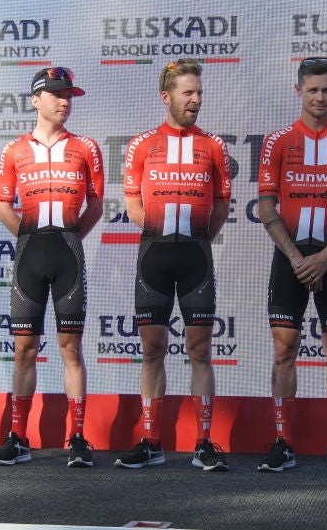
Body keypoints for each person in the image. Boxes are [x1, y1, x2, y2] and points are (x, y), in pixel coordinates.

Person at [114, 59, 232, 472]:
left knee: (200, 350)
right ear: (167, 97)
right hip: (155, 256)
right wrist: (164, 232)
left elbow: (220, 206)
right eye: (188, 93)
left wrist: (199, 239)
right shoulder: (142, 145)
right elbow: (132, 205)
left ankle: (202, 442)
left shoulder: (214, 146)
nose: (196, 99)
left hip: (196, 256)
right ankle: (151, 441)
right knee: (153, 350)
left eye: (199, 92)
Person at [256, 58, 327, 473]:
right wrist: (296, 257)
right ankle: (283, 441)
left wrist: (324, 257)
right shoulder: (277, 142)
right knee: (284, 351)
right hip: (290, 259)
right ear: (299, 90)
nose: (320, 97)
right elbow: (267, 206)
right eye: (313, 89)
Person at [0, 67, 104, 468]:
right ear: (36, 99)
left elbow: (96, 206)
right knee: (24, 348)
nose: (64, 101)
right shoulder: (14, 150)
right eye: (56, 94)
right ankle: (18, 436)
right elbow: (3, 205)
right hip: (29, 255)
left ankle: (77, 437)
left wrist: (70, 236)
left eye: (69, 94)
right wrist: (30, 236)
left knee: (70, 347)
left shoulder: (86, 147)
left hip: (68, 253)